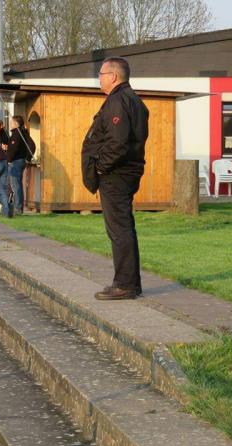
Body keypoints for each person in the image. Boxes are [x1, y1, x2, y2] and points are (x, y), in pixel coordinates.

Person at [81, 56, 149, 301]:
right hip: (126, 172)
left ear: (113, 76)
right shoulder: (134, 101)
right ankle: (131, 282)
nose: (98, 79)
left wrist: (100, 167)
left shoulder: (118, 101)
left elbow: (117, 143)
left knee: (119, 229)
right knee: (124, 228)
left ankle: (125, 284)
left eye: (100, 74)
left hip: (116, 174)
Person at [5, 115, 35, 216]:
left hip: (15, 162)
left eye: (11, 121)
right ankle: (18, 208)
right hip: (20, 161)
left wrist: (8, 160)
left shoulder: (17, 133)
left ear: (16, 123)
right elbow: (32, 145)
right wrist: (27, 158)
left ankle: (18, 209)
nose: (10, 123)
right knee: (17, 185)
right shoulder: (23, 133)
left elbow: (13, 149)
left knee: (15, 186)